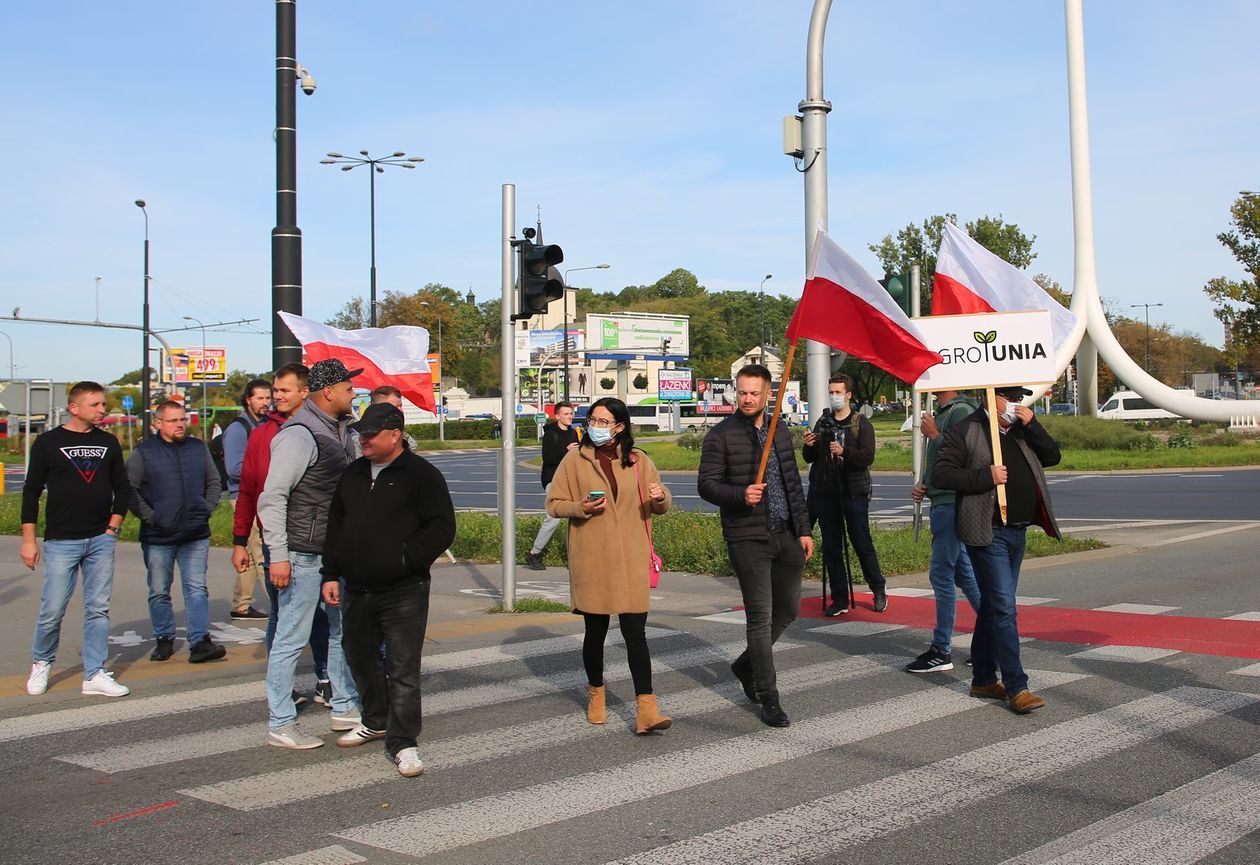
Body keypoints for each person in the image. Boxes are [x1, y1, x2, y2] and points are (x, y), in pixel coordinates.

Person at [321, 403, 456, 777]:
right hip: (356, 588)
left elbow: (442, 526)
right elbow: (336, 526)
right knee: (359, 656)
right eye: (360, 433)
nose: (362, 439)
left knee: (402, 667)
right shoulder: (353, 474)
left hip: (403, 589)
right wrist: (330, 572)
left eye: (370, 434)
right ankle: (376, 719)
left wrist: (406, 558)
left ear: (395, 436)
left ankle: (404, 742)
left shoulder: (421, 475)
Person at [547, 397, 673, 735]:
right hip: (593, 557)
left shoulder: (638, 460)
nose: (596, 427)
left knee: (636, 634)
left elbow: (659, 503)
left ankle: (647, 708)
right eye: (594, 420)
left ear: (620, 427)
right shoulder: (574, 460)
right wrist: (581, 507)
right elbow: (554, 504)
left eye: (605, 422)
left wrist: (660, 496)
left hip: (631, 558)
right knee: (596, 632)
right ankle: (596, 694)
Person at [934, 385, 1062, 715]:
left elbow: (1052, 456)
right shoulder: (968, 430)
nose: (1016, 404)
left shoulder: (1021, 430)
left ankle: (983, 678)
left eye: (1020, 398)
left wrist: (1033, 424)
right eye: (1010, 397)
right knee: (1005, 608)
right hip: (986, 531)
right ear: (992, 397)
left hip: (1017, 530)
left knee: (994, 606)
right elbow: (943, 474)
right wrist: (984, 476)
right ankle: (1017, 686)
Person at [698, 364, 813, 728]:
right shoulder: (721, 435)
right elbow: (707, 485)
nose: (747, 398)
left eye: (754, 393)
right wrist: (740, 494)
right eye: (742, 392)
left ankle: (746, 664)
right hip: (747, 536)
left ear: (768, 396)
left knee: (789, 610)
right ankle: (768, 697)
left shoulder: (779, 430)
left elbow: (793, 485)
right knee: (759, 618)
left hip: (786, 534)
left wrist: (805, 529)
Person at [257, 358, 363, 748]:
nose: (353, 394)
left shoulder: (339, 430)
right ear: (329, 392)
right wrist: (279, 554)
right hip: (302, 554)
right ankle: (281, 722)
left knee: (340, 631)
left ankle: (345, 706)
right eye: (349, 388)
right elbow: (273, 498)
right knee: (291, 637)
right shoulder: (299, 434)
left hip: (331, 554)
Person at [21, 381, 131, 698]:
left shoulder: (109, 442)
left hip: (100, 539)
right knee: (52, 609)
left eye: (103, 404)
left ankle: (94, 673)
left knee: (98, 608)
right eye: (95, 404)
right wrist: (29, 540)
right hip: (61, 540)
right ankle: (42, 662)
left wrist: (113, 524)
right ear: (75, 407)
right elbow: (30, 492)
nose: (102, 409)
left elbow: (122, 487)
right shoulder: (47, 443)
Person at [232, 363, 331, 705]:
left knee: (324, 614)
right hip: (280, 542)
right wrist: (239, 539)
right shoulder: (263, 434)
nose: (276, 397)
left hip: (319, 540)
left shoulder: (322, 429)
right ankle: (283, 695)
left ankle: (326, 677)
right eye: (274, 391)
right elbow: (250, 490)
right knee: (282, 616)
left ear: (306, 392)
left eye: (283, 390)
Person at [126, 400, 226, 664]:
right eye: (173, 420)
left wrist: (205, 507)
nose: (180, 424)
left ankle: (199, 642)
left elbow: (214, 481)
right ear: (158, 423)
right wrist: (151, 517)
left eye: (183, 419)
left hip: (195, 533)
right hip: (159, 536)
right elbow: (129, 489)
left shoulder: (197, 448)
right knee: (159, 590)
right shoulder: (144, 452)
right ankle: (164, 639)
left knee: (196, 589)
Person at [907, 389, 982, 673]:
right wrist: (926, 483)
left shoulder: (961, 412)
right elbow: (941, 463)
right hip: (943, 500)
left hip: (952, 504)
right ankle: (996, 637)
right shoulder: (945, 412)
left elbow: (962, 457)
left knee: (942, 575)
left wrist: (935, 434)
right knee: (965, 575)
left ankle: (942, 649)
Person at [802, 373, 888, 616]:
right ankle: (839, 597)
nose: (833, 396)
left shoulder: (861, 423)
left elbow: (867, 457)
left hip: (853, 491)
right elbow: (810, 458)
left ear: (848, 395)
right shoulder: (823, 422)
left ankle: (878, 588)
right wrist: (809, 445)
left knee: (861, 541)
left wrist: (844, 452)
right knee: (831, 546)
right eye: (831, 392)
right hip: (826, 490)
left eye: (838, 392)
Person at [223, 378, 272, 621]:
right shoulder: (238, 429)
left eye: (267, 397)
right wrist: (265, 469)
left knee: (252, 556)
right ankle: (280, 608)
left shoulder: (266, 424)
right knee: (261, 553)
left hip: (260, 494)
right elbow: (234, 468)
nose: (265, 403)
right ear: (248, 400)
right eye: (260, 398)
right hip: (244, 497)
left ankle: (240, 605)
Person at [525, 401, 580, 570]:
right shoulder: (550, 433)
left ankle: (576, 557)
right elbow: (548, 458)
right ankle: (534, 553)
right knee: (553, 519)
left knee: (578, 516)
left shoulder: (573, 433)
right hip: (553, 480)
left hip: (571, 480)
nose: (569, 417)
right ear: (557, 416)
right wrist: (566, 450)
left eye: (571, 413)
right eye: (566, 414)